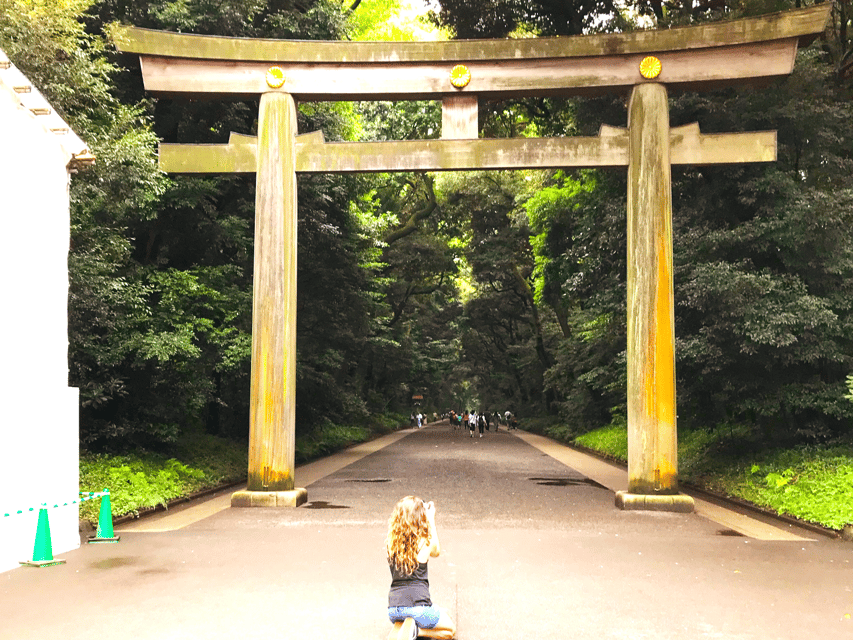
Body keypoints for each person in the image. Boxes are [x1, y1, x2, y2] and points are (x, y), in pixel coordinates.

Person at [386, 496, 456, 640]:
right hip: (419, 608)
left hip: (394, 610)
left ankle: (401, 626)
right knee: (450, 630)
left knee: (441, 612)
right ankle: (416, 631)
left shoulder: (391, 543)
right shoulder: (425, 541)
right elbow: (436, 551)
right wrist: (430, 519)